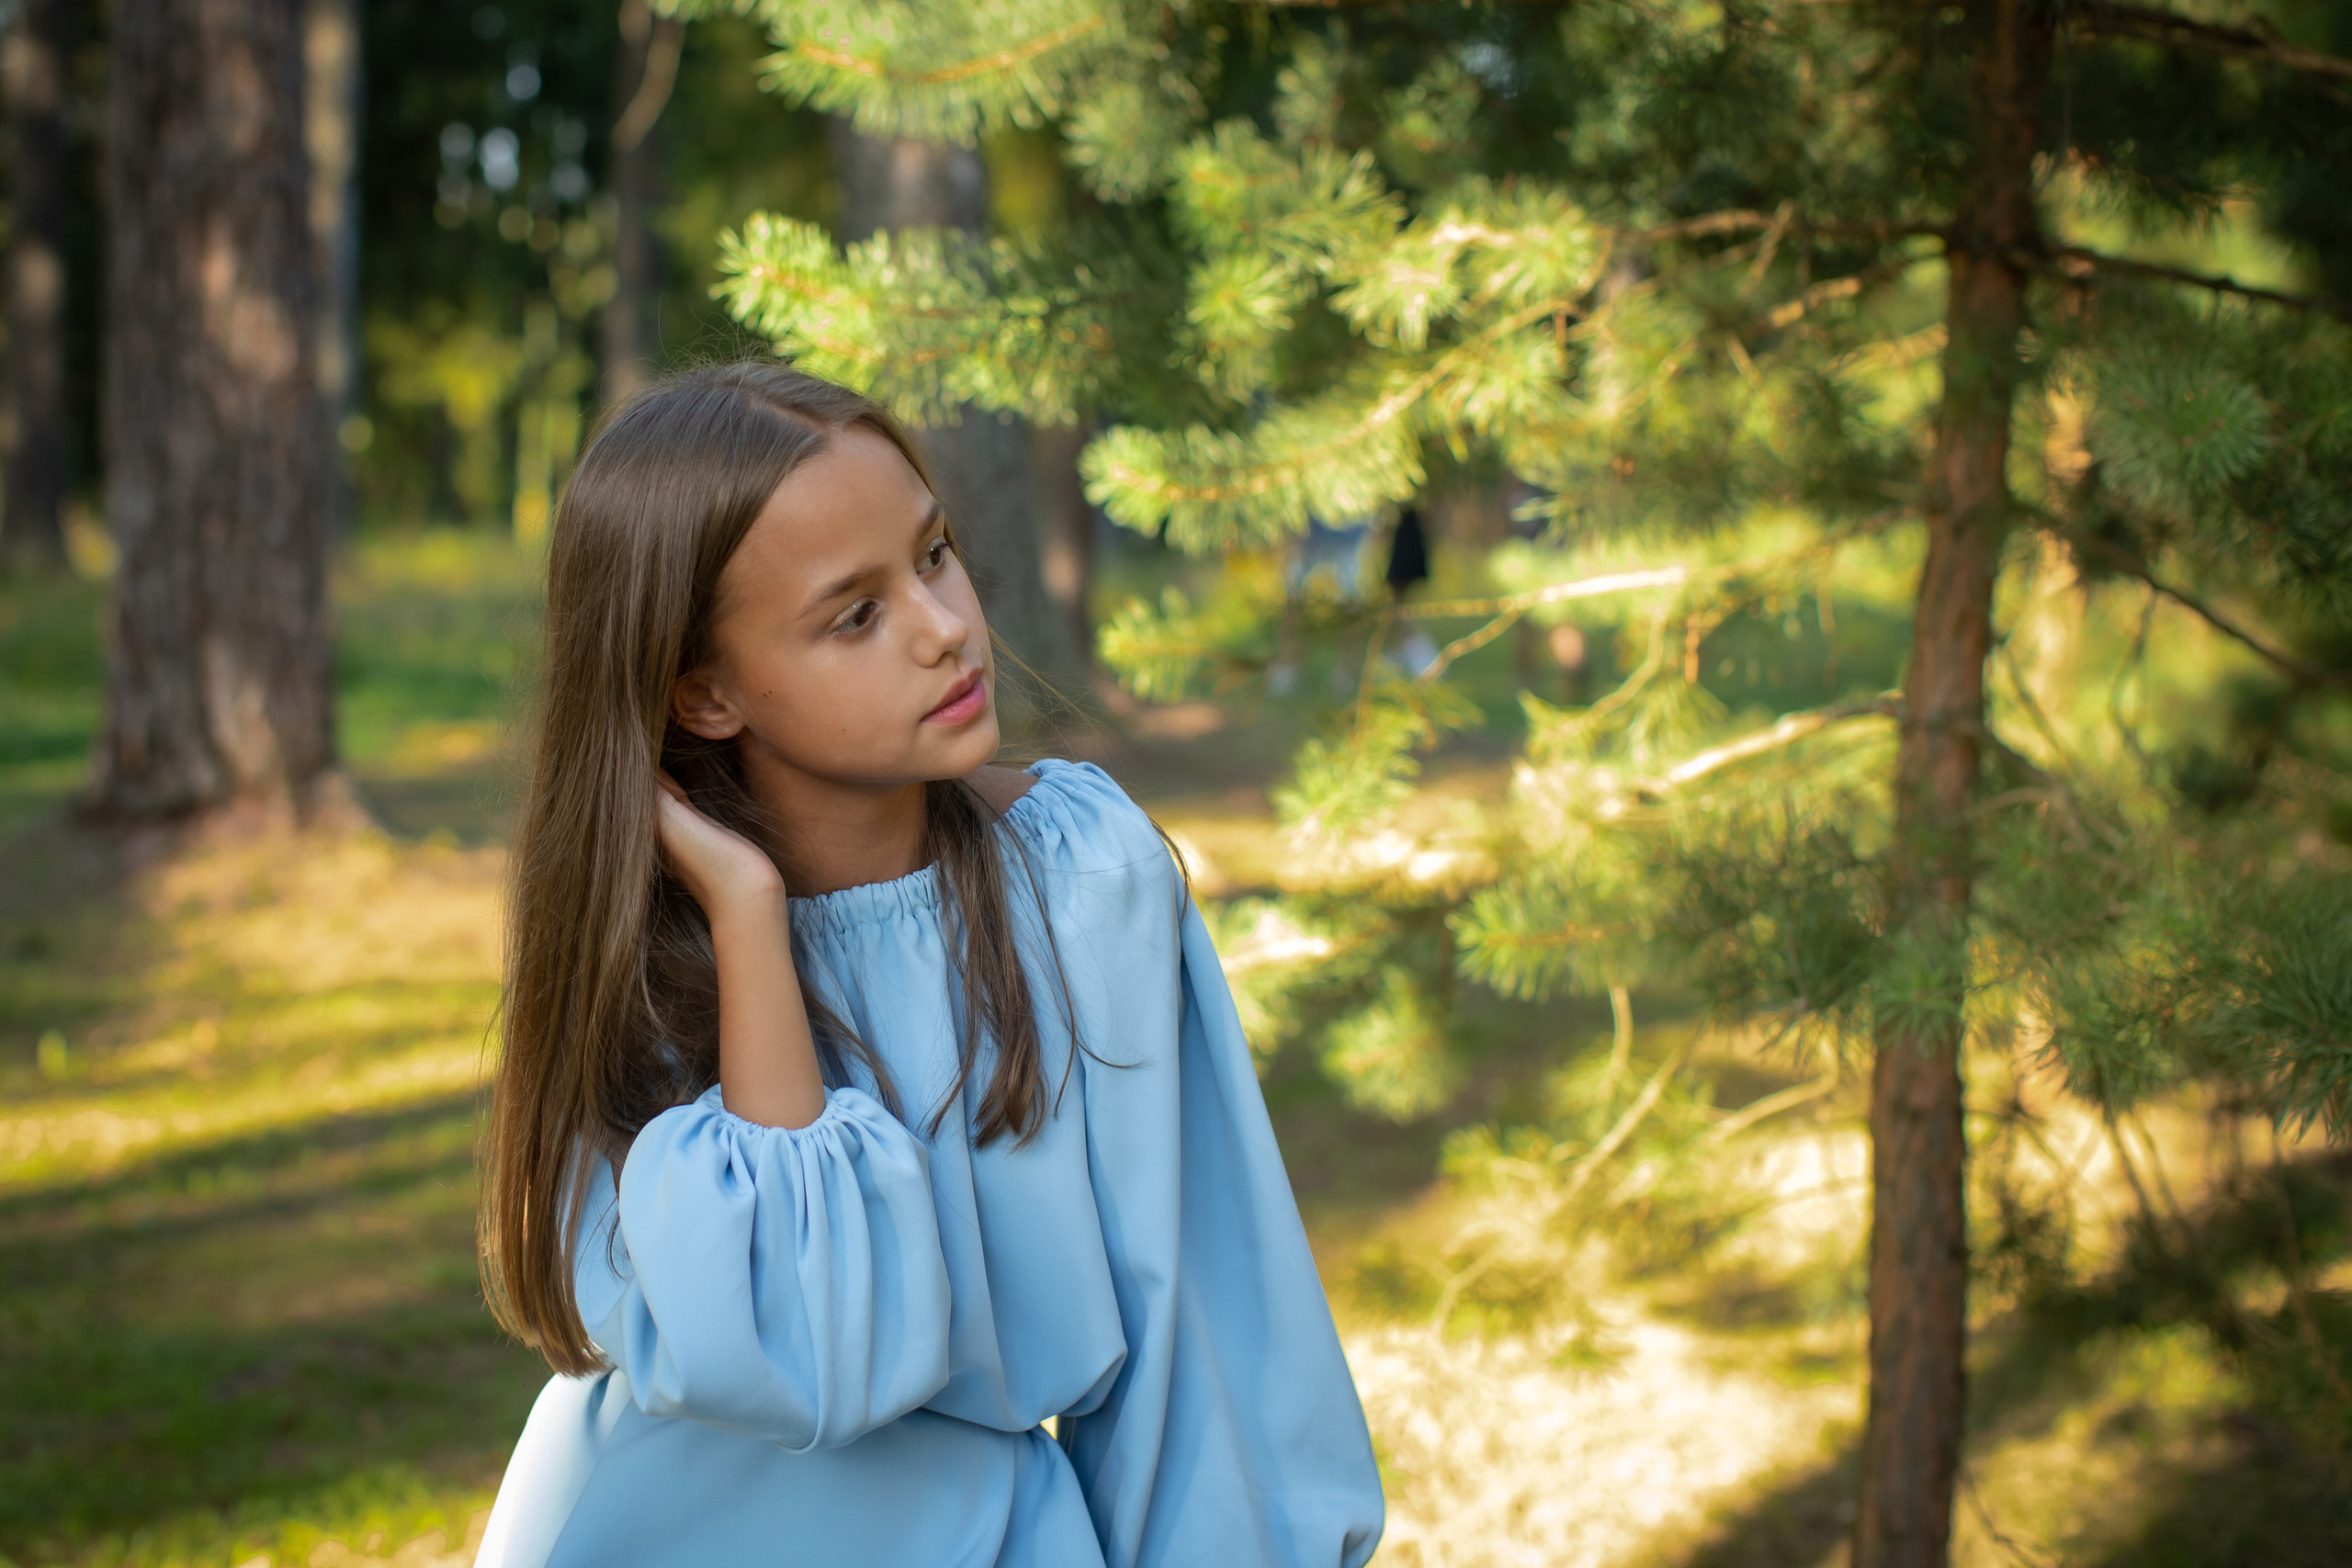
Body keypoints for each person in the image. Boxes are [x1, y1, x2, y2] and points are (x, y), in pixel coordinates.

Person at [472, 363, 1384, 1568]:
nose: (946, 627)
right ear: (704, 695)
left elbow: (1204, 1338)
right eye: (855, 615)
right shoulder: (653, 955)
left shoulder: (1081, 881)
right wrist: (749, 919)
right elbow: (807, 1358)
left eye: (936, 555)